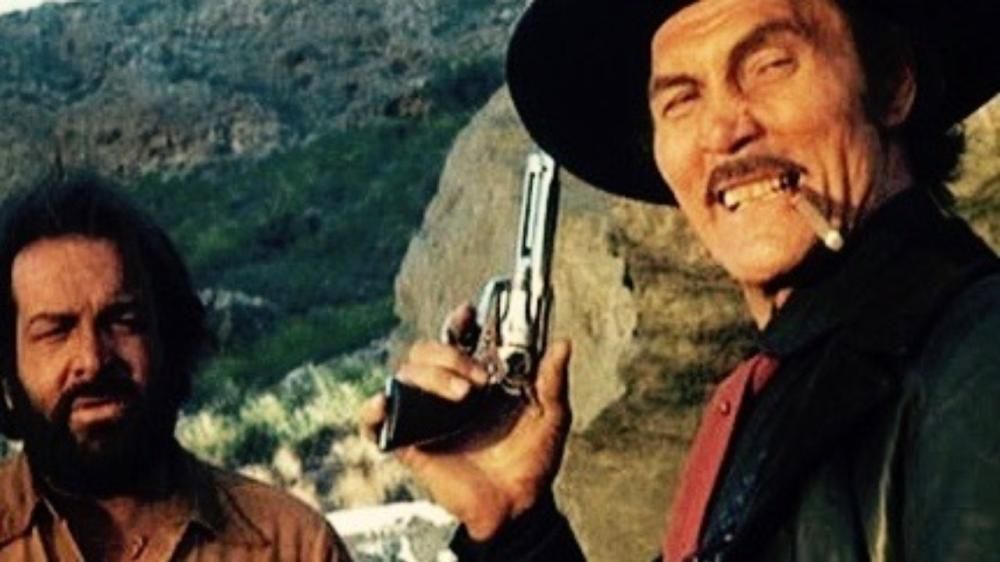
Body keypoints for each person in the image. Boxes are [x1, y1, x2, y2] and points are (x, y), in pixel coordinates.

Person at [361, 0, 1000, 560]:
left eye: (769, 65)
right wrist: (514, 525)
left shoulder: (977, 359)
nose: (724, 131)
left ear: (891, 83)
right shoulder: (768, 400)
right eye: (681, 99)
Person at [0, 175, 352, 561]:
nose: (92, 359)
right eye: (56, 331)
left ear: (170, 339)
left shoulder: (293, 547)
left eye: (123, 321)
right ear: (6, 371)